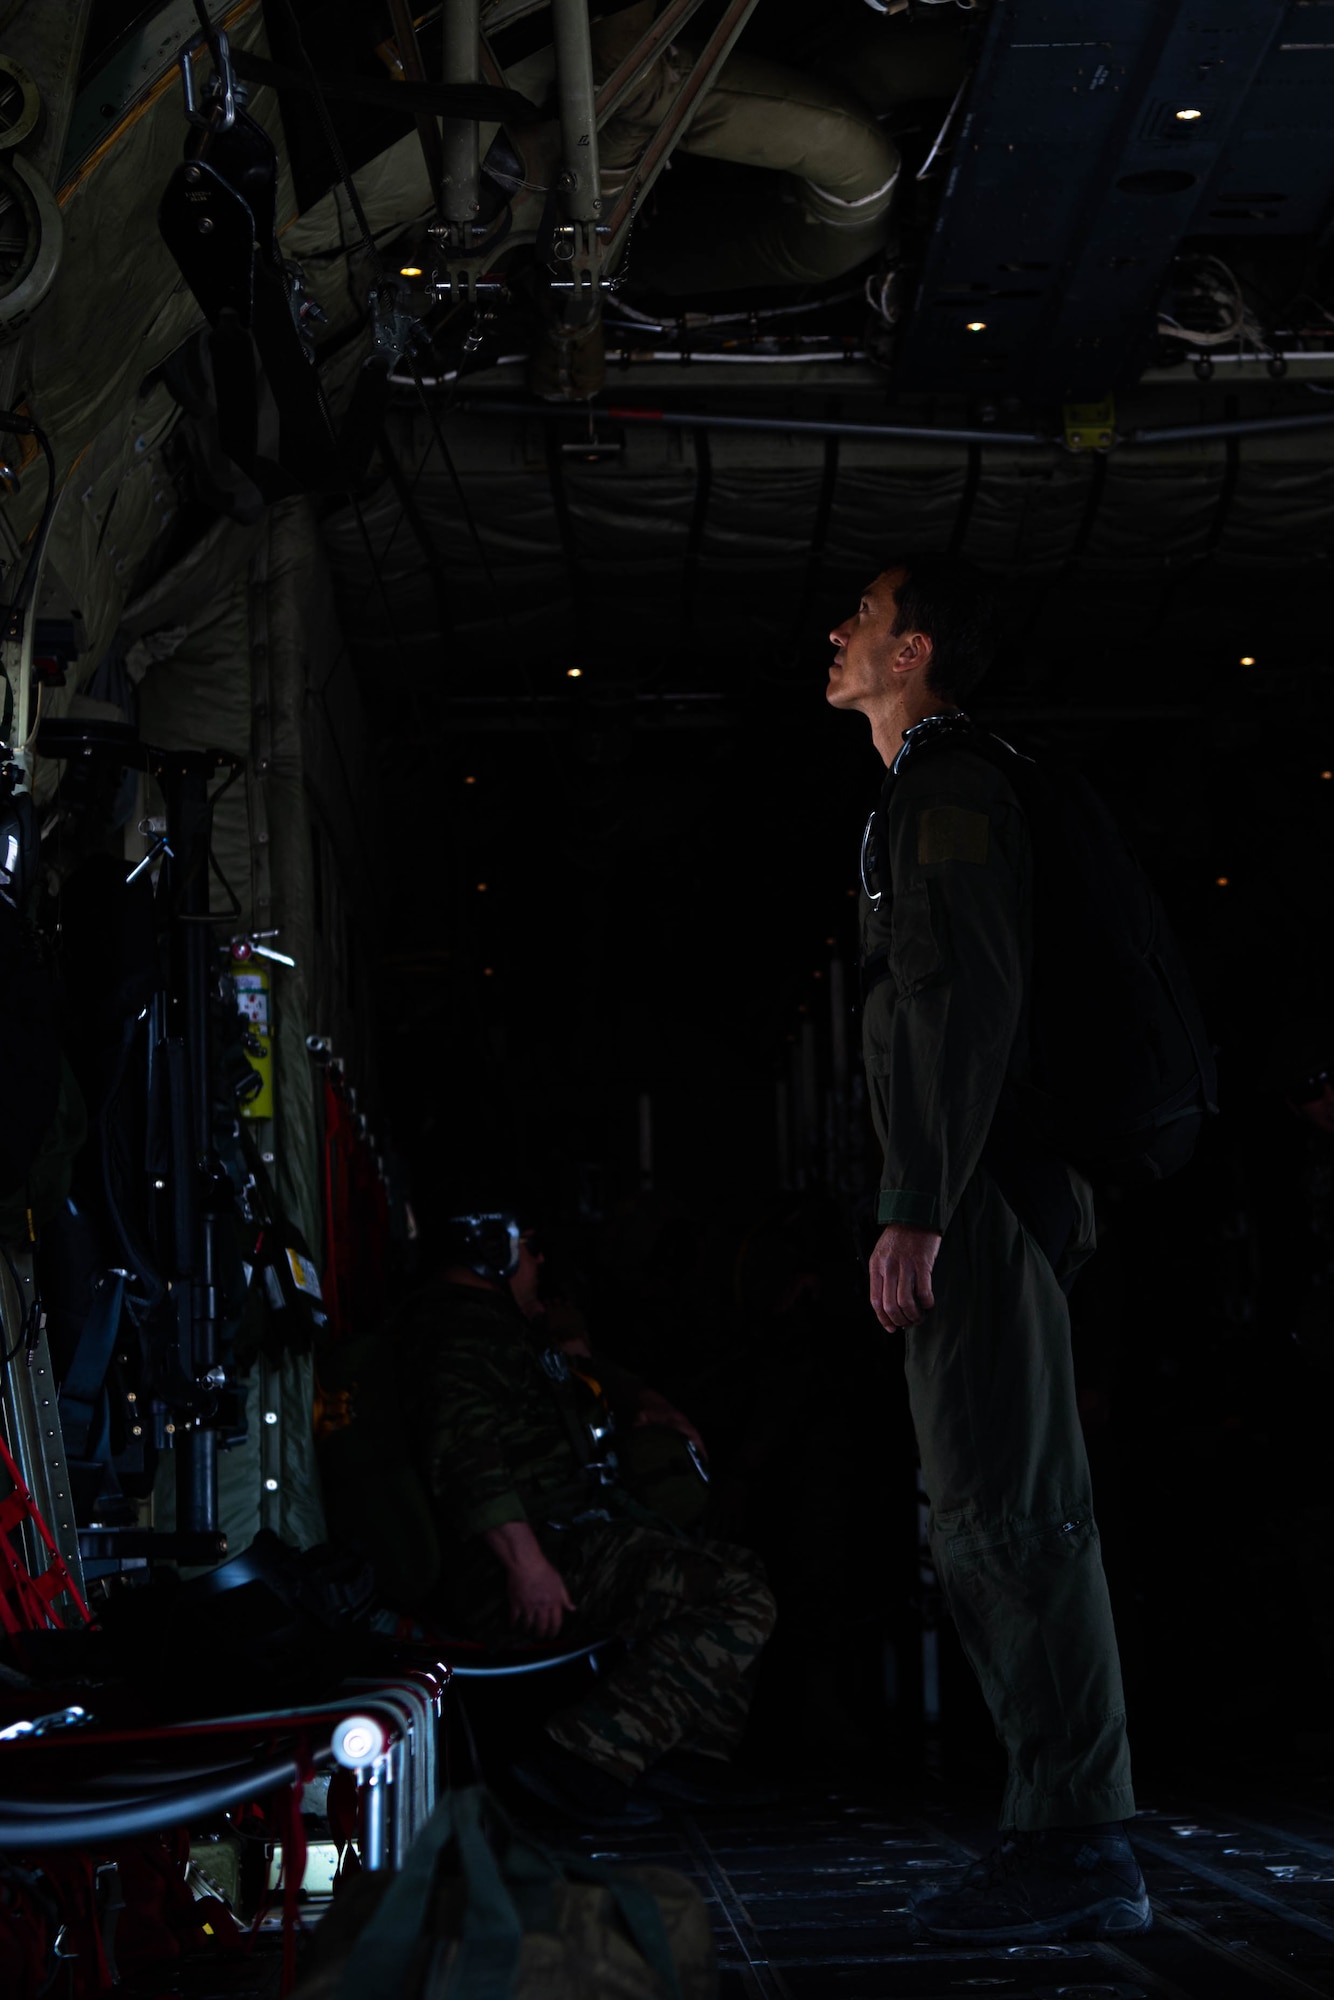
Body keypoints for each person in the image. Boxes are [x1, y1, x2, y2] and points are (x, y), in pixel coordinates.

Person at [825, 554, 1150, 1944]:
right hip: (985, 1193)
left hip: (986, 1198)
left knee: (1010, 1512)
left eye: (866, 618)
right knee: (988, 1508)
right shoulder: (922, 789)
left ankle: (1080, 1846)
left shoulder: (949, 786)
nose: (838, 632)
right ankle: (1060, 1828)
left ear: (916, 654)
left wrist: (921, 1204)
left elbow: (962, 1001)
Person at [396, 1204, 777, 1830]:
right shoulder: (457, 1335)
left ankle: (683, 1755)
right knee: (738, 1597)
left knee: (736, 1567)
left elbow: (578, 1373)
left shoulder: (497, 1327)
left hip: (563, 1538)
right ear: (488, 1247)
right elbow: (464, 1455)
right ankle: (579, 1760)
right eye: (529, 1246)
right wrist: (526, 1566)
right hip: (519, 1561)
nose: (539, 1261)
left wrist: (644, 1402)